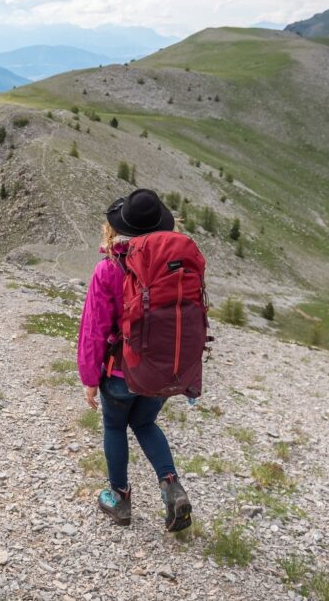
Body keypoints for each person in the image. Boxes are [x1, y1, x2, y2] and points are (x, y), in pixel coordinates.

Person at [77, 189, 192, 531]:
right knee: (144, 424)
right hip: (163, 370)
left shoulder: (109, 269)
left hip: (120, 373)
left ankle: (119, 498)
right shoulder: (175, 267)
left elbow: (94, 330)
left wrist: (89, 378)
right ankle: (172, 487)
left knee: (115, 426)